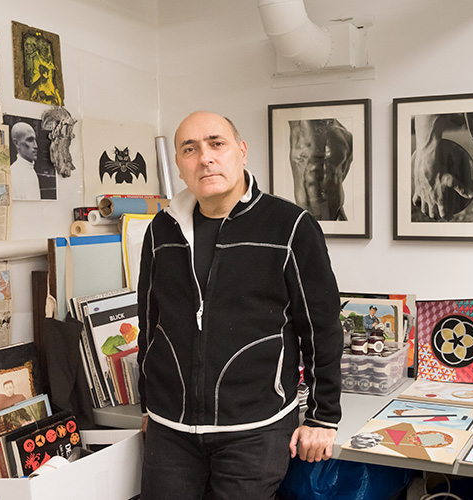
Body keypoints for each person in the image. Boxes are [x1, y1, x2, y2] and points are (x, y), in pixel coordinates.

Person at [137, 111, 343, 500]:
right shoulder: (161, 230)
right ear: (180, 166)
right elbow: (150, 320)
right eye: (190, 149)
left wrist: (323, 416)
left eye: (217, 144)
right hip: (170, 433)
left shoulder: (290, 226)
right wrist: (149, 405)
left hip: (255, 430)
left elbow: (322, 328)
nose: (206, 158)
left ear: (241, 151)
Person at [288, 118, 352, 221]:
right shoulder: (299, 125)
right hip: (307, 216)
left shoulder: (346, 136)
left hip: (335, 214)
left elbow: (338, 179)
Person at [10, 122, 41, 200]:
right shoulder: (13, 174)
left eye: (35, 140)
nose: (36, 146)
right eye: (30, 140)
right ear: (17, 144)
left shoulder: (30, 169)